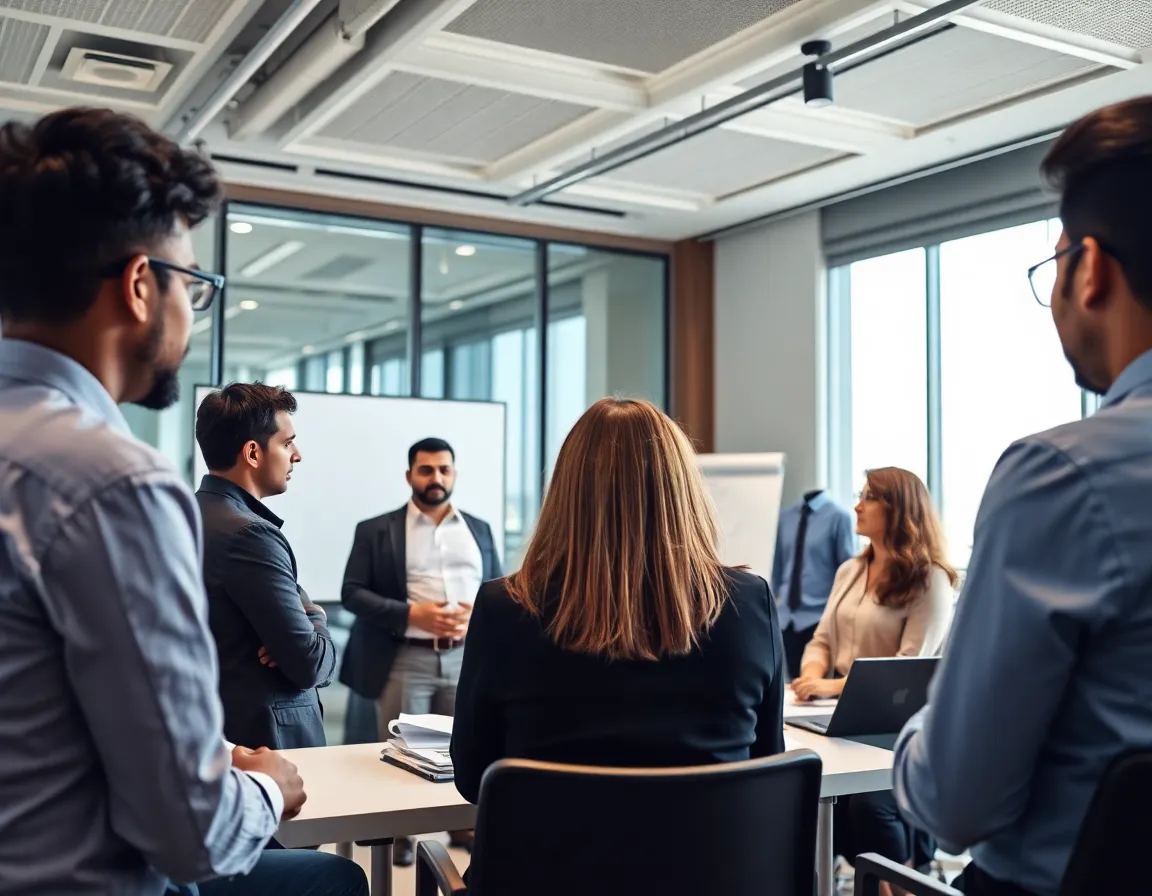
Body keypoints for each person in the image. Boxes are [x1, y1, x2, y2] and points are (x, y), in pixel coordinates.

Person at [0, 107, 366, 895]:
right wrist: (268, 784)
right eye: (194, 287)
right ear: (141, 286)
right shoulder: (114, 484)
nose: (191, 317)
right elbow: (194, 835)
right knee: (334, 882)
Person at [893, 97, 1152, 896]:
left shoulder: (1062, 477)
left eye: (1056, 265)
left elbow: (955, 802)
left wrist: (917, 734)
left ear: (1090, 268)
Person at [450, 397, 785, 806]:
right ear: (683, 490)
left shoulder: (504, 608)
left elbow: (473, 778)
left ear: (566, 492)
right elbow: (767, 764)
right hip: (713, 849)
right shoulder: (749, 604)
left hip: (550, 849)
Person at [791, 468, 955, 896]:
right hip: (840, 717)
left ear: (898, 510)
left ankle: (899, 885)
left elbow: (906, 669)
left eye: (869, 498)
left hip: (899, 728)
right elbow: (821, 640)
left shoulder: (930, 579)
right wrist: (811, 674)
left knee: (868, 805)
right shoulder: (850, 570)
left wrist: (830, 686)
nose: (857, 506)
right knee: (805, 791)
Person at [339, 437, 502, 865]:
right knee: (401, 752)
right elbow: (352, 593)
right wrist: (414, 614)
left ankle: (461, 825)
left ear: (454, 473)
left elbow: (499, 585)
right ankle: (401, 836)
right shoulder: (376, 529)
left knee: (464, 747)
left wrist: (478, 613)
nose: (436, 478)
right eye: (426, 470)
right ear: (410, 474)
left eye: (444, 469)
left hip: (465, 658)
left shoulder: (479, 528)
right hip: (403, 657)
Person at [196, 382, 336, 751]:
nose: (297, 456)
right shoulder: (250, 535)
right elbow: (309, 663)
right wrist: (316, 616)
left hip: (217, 729)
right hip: (266, 745)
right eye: (287, 444)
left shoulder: (189, 513)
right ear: (253, 453)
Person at [772, 489, 856, 679]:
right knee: (796, 683)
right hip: (787, 618)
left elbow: (847, 568)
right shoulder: (785, 517)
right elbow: (778, 565)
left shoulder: (838, 517)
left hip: (820, 616)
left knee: (819, 684)